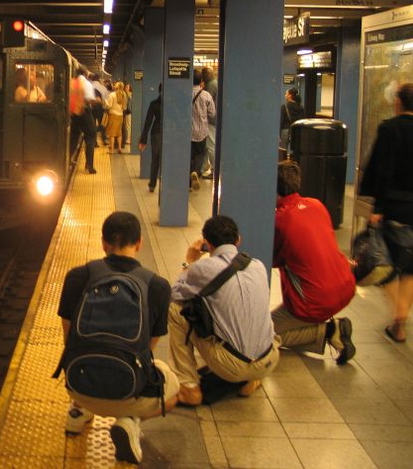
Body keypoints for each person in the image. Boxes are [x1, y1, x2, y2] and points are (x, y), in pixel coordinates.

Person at [57, 211, 179, 464]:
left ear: (104, 243)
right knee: (173, 388)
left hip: (79, 385)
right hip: (129, 389)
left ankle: (77, 413)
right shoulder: (157, 286)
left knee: (75, 352)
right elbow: (147, 350)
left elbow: (69, 339)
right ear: (139, 243)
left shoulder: (77, 276)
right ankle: (130, 420)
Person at [168, 215, 280, 406]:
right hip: (270, 359)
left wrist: (189, 262)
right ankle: (252, 379)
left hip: (232, 365)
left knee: (175, 311)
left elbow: (175, 294)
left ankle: (189, 388)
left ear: (208, 244)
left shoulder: (203, 268)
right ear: (238, 240)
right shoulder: (258, 265)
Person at [273, 160, 356, 364]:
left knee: (260, 336)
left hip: (313, 302)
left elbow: (273, 258)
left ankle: (329, 330)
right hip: (344, 286)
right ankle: (330, 330)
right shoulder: (317, 204)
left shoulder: (280, 219)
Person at [359, 82, 413, 343]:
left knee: (386, 266)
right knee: (410, 269)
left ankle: (399, 318)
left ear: (398, 102)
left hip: (394, 206)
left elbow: (382, 169)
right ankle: (399, 320)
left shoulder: (390, 129)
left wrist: (377, 208)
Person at [190, 70, 216, 191]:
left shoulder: (186, 93)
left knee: (190, 155)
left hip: (188, 131)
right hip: (202, 131)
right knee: (200, 154)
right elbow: (212, 113)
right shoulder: (206, 95)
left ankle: (189, 182)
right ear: (201, 81)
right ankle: (196, 172)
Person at [69, 67, 98, 174]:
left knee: (74, 137)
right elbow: (89, 99)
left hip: (73, 114)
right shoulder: (87, 84)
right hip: (84, 112)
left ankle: (68, 160)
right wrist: (97, 101)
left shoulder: (72, 82)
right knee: (91, 136)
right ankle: (89, 166)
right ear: (85, 74)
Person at [138, 83, 163, 192]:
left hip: (156, 133)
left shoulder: (154, 104)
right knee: (166, 159)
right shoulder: (172, 104)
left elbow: (148, 121)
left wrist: (143, 140)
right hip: (169, 133)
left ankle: (152, 184)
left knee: (155, 158)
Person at [201, 67, 218, 179]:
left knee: (210, 146)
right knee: (207, 146)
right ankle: (202, 168)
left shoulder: (211, 85)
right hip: (214, 119)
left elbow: (206, 102)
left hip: (211, 120)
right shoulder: (215, 83)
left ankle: (214, 170)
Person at [279, 87, 305, 151]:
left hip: (285, 131)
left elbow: (281, 121)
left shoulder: (284, 107)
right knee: (295, 151)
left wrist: (278, 134)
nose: (285, 95)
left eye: (286, 94)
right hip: (296, 132)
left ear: (290, 96)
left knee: (283, 151)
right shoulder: (301, 108)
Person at [105, 81, 127, 154]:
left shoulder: (112, 95)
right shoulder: (124, 95)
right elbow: (124, 108)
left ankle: (111, 150)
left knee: (112, 134)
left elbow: (109, 106)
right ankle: (120, 149)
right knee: (119, 133)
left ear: (116, 87)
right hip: (120, 116)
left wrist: (105, 102)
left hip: (113, 115)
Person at [122, 83, 133, 148]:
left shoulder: (129, 95)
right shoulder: (126, 94)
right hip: (127, 112)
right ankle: (127, 138)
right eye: (126, 87)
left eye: (127, 87)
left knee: (128, 126)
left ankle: (128, 139)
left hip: (128, 112)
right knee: (127, 126)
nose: (126, 88)